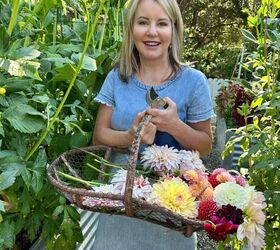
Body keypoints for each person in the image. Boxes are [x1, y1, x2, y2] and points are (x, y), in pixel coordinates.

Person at [92, 0, 215, 249]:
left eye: (162, 23)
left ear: (174, 30)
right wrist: (129, 136)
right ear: (131, 29)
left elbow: (205, 146)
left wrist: (174, 125)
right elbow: (99, 136)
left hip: (173, 212)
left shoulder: (194, 81)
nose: (152, 32)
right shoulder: (117, 77)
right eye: (143, 22)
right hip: (120, 208)